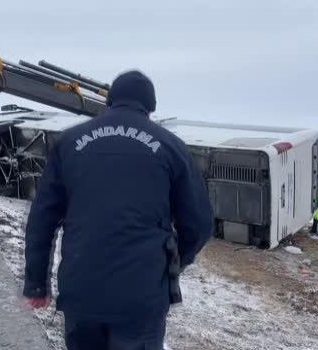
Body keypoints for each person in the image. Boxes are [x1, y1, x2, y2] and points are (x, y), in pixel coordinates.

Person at [22, 71, 214, 350]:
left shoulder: (69, 143)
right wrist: (173, 262)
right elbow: (199, 224)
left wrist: (36, 284)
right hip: (141, 296)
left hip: (81, 292)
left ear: (110, 101)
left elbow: (42, 219)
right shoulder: (171, 147)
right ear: (150, 107)